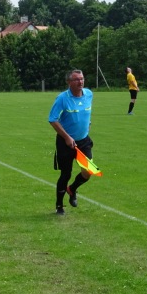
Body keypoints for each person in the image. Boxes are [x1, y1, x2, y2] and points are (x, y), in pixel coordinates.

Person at [48, 69, 94, 216]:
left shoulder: (89, 94)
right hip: (65, 143)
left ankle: (72, 189)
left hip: (84, 141)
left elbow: (86, 113)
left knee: (88, 171)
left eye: (82, 79)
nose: (80, 82)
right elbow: (53, 119)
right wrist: (67, 137)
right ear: (69, 82)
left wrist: (87, 125)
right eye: (76, 79)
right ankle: (59, 206)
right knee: (65, 174)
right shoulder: (62, 98)